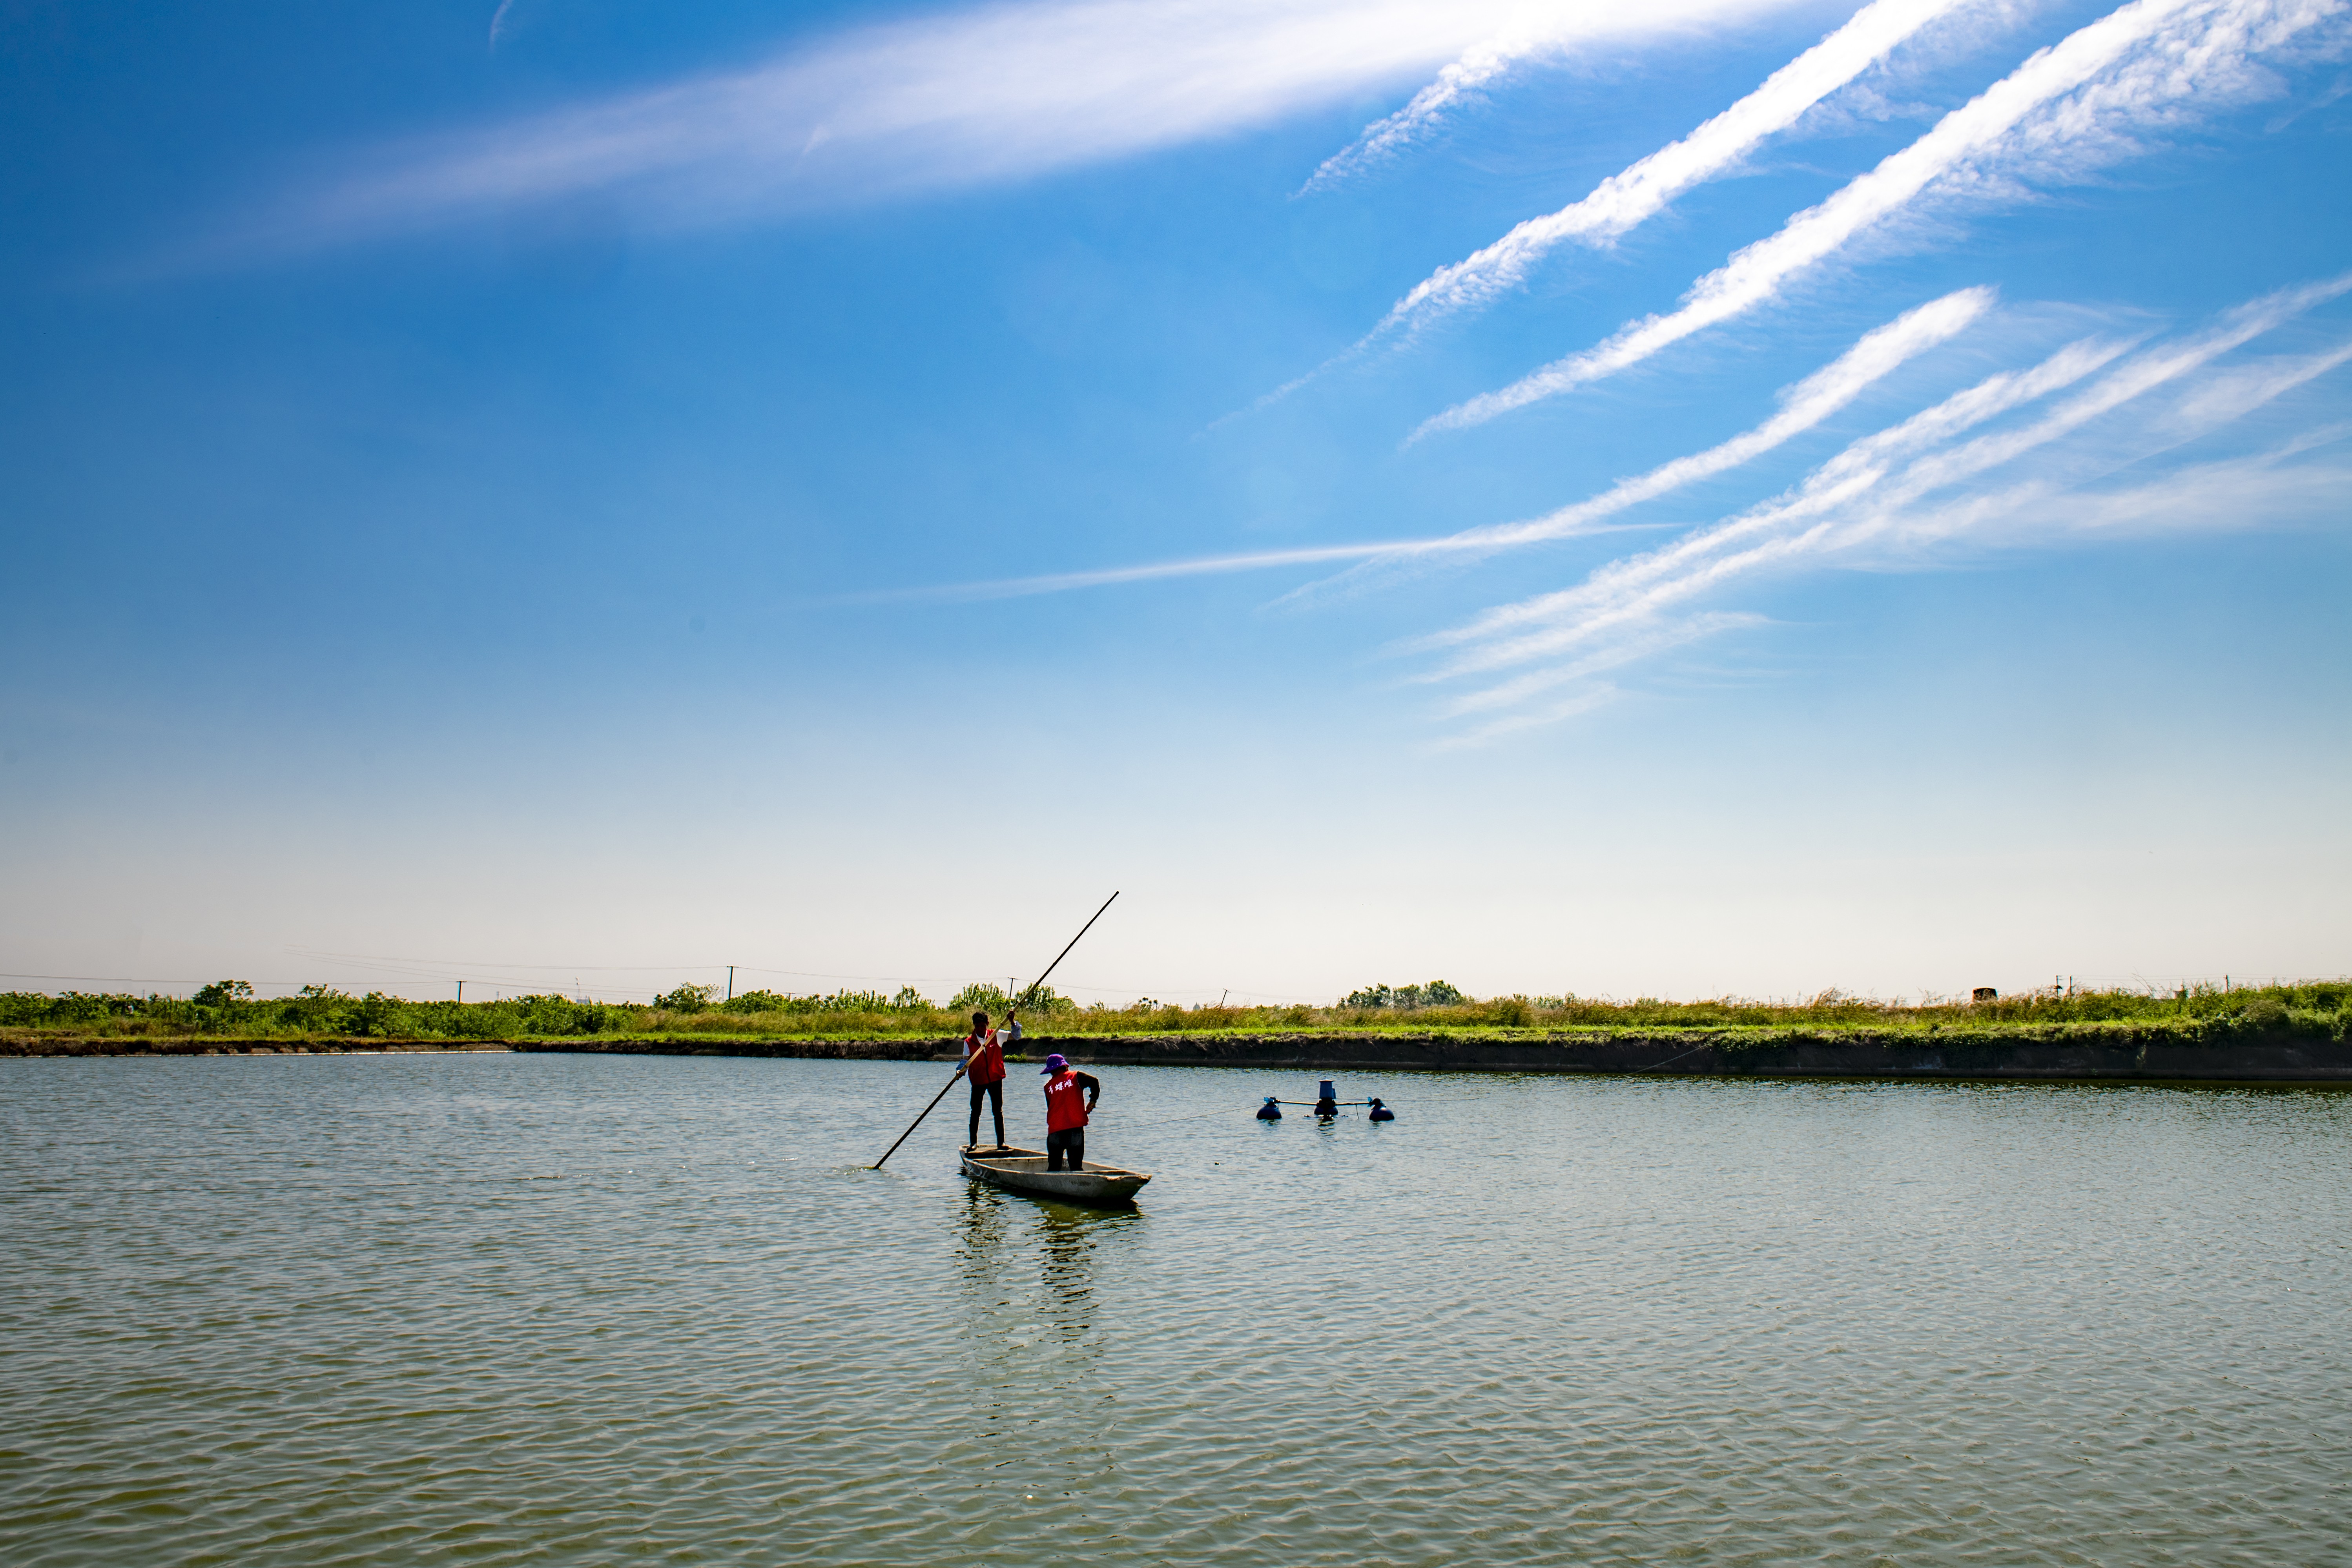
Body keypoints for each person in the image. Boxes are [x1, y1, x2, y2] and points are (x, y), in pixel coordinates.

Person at [961, 1008, 1019, 1150]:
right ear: (974, 1026)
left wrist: (1012, 1022)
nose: (980, 1029)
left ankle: (1001, 1143)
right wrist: (961, 1069)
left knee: (997, 1111)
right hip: (978, 1081)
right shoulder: (969, 1042)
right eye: (977, 1026)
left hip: (995, 1079)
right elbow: (965, 1060)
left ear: (987, 1024)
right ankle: (973, 1143)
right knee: (976, 1111)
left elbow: (1016, 1036)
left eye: (983, 1026)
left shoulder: (997, 1035)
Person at [1038, 1052, 1100, 1172]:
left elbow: (1050, 1107)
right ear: (1065, 1066)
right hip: (1075, 1129)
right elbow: (1095, 1082)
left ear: (1051, 1071)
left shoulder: (1048, 1087)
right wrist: (1093, 1102)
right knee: (1076, 1166)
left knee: (1054, 1167)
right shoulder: (1076, 1077)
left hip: (1055, 1130)